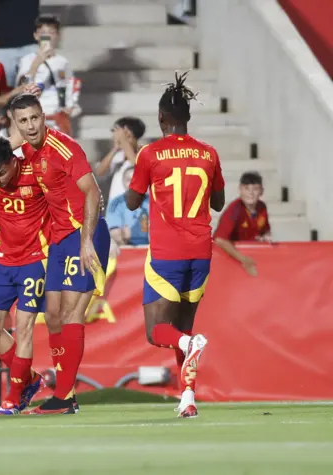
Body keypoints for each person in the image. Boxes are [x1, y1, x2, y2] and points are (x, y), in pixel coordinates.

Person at [124, 72, 226, 418]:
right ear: (188, 118)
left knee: (159, 332)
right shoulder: (208, 154)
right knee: (185, 327)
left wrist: (134, 167)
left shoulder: (150, 154)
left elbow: (134, 202)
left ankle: (188, 346)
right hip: (201, 252)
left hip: (167, 253)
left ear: (161, 118)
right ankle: (188, 396)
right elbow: (219, 202)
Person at [10, 93, 110, 415]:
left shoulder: (64, 146)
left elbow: (93, 191)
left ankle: (63, 398)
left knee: (70, 314)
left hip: (82, 236)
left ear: (44, 116)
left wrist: (86, 241)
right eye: (23, 120)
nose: (30, 125)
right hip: (57, 240)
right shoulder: (26, 152)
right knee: (51, 316)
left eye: (34, 118)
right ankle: (65, 393)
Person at [0, 136, 50, 414]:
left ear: (13, 160)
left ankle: (15, 396)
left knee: (24, 327)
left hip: (34, 260)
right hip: (2, 261)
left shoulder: (35, 171)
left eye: (2, 173)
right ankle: (30, 380)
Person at [214, 171, 271, 277]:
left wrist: (265, 236)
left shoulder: (262, 207)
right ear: (240, 189)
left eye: (255, 189)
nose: (251, 193)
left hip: (252, 259)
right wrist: (243, 259)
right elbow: (219, 239)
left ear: (261, 191)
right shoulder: (235, 209)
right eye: (246, 189)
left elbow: (265, 231)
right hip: (232, 261)